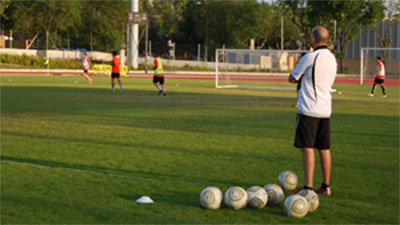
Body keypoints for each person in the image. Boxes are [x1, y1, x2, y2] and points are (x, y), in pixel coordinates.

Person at [288, 26, 337, 196]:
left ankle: (308, 187)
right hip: (325, 109)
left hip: (309, 109)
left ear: (314, 40)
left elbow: (292, 78)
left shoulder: (310, 57)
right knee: (324, 148)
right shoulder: (332, 58)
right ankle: (326, 185)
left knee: (307, 147)